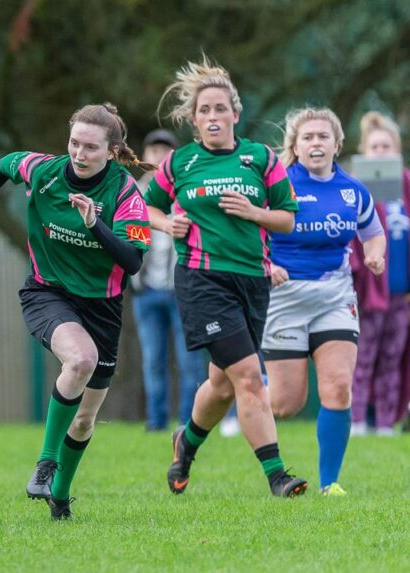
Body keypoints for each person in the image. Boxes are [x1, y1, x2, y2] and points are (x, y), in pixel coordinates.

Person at [0, 103, 153, 520]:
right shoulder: (44, 171)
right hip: (47, 292)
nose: (79, 153)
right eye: (74, 142)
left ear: (112, 151)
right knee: (79, 360)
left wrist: (96, 223)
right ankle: (45, 463)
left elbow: (133, 261)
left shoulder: (125, 193)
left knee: (84, 422)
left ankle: (60, 496)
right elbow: (5, 165)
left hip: (102, 308)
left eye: (91, 147)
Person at [145, 58, 306, 498]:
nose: (213, 117)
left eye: (220, 109)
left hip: (253, 282)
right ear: (194, 121)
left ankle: (185, 445)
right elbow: (143, 209)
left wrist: (256, 213)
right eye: (204, 111)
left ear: (236, 114)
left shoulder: (261, 158)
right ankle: (277, 476)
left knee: (221, 385)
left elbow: (288, 221)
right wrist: (165, 225)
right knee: (250, 377)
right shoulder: (180, 162)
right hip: (202, 280)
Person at [264, 107, 385, 496]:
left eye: (323, 136)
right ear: (295, 146)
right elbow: (250, 232)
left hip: (335, 296)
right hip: (285, 297)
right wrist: (265, 264)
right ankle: (240, 390)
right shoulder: (279, 185)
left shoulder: (353, 190)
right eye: (308, 137)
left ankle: (329, 483)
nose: (316, 143)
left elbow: (373, 232)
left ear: (337, 143)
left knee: (337, 388)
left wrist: (374, 254)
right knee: (286, 403)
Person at [130, 128, 205, 432]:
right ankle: (156, 423)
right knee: (152, 361)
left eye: (166, 150)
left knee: (190, 362)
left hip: (183, 290)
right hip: (146, 291)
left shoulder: (190, 190)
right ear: (144, 156)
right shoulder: (132, 193)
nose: (159, 156)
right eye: (153, 150)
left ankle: (190, 423)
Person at [350, 111, 409, 437]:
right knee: (362, 359)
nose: (381, 152)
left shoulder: (407, 186)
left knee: (392, 359)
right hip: (367, 293)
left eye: (387, 145)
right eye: (375, 146)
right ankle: (356, 422)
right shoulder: (356, 189)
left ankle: (387, 424)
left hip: (402, 295)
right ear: (364, 150)